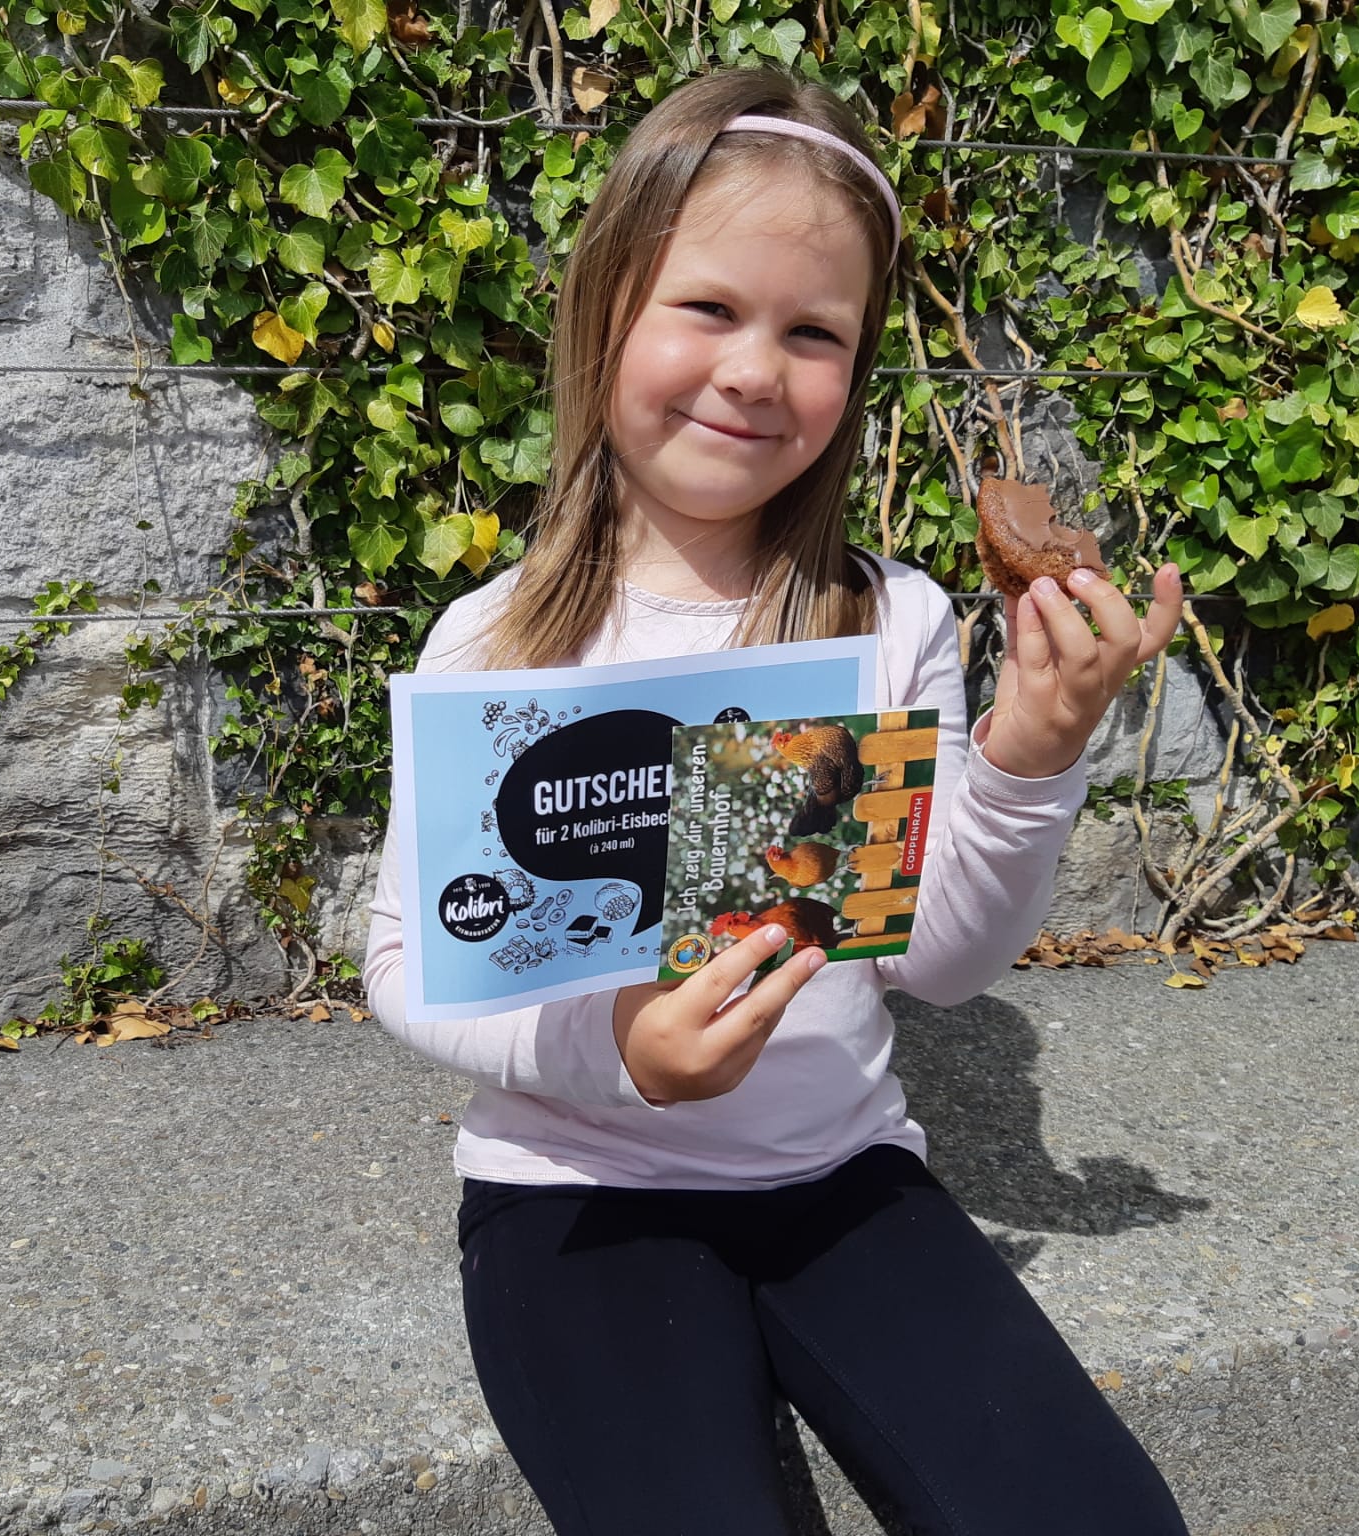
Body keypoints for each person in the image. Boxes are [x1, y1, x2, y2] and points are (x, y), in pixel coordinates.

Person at [362, 64, 1192, 1536]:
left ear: (857, 372)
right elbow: (406, 961)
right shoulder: (495, 643)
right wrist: (623, 1057)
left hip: (838, 1172)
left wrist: (1033, 749)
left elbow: (940, 962)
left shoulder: (890, 624)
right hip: (574, 1184)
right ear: (604, 310)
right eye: (708, 307)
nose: (756, 370)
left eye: (815, 333)